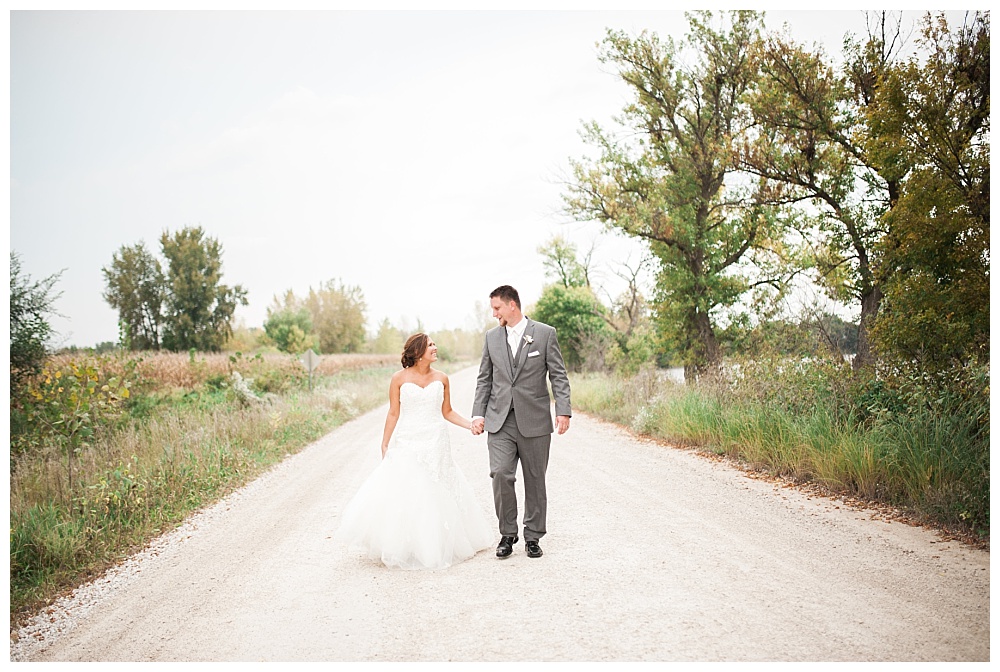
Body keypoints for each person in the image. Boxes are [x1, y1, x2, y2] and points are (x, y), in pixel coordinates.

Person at [335, 333, 493, 570]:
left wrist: (470, 423)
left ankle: (436, 543)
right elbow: (393, 413)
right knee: (410, 490)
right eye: (431, 345)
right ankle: (406, 544)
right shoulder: (398, 378)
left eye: (434, 344)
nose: (435, 348)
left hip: (436, 439)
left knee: (436, 488)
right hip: (408, 439)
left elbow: (447, 411)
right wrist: (384, 442)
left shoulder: (442, 378)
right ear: (418, 352)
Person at [472, 285, 571, 559]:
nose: (494, 314)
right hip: (500, 420)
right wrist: (478, 413)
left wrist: (563, 409)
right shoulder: (492, 338)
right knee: (501, 473)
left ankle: (533, 536)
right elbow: (484, 379)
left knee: (535, 479)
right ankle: (507, 533)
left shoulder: (544, 334)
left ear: (512, 305)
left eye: (497, 308)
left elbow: (558, 375)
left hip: (535, 421)